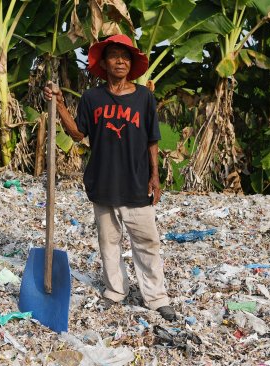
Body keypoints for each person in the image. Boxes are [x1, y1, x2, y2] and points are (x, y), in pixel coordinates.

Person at [43, 34, 176, 321]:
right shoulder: (93, 98)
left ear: (132, 64)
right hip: (102, 181)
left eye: (126, 57)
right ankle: (115, 291)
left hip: (137, 182)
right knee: (108, 242)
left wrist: (156, 177)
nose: (120, 61)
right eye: (114, 55)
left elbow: (153, 140)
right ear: (103, 63)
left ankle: (156, 298)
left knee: (147, 243)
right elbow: (78, 134)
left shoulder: (144, 97)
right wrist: (60, 104)